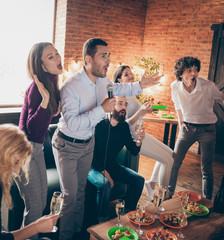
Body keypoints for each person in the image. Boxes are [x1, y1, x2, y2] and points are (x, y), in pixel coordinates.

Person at [52, 38, 160, 239]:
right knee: (70, 197)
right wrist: (101, 110)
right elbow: (73, 124)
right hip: (66, 144)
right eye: (104, 56)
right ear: (88, 59)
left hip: (87, 144)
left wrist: (139, 85)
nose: (109, 60)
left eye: (109, 56)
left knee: (82, 193)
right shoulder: (71, 86)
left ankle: (78, 234)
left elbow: (121, 89)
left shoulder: (103, 81)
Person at [169, 56, 224, 199]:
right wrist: (180, 122)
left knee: (206, 169)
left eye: (195, 70)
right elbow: (177, 105)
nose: (193, 73)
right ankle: (168, 195)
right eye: (189, 70)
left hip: (207, 130)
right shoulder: (174, 86)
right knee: (174, 163)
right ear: (180, 74)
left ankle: (207, 200)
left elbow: (222, 99)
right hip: (187, 129)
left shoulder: (208, 86)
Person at [16, 42, 61, 237]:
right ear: (41, 66)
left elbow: (39, 126)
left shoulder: (51, 85)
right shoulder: (37, 88)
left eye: (56, 53)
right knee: (34, 207)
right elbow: (31, 129)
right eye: (50, 57)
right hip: (24, 150)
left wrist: (51, 112)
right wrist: (45, 104)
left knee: (40, 203)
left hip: (36, 148)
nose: (58, 58)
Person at [113, 65, 174, 200]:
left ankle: (151, 183)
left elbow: (136, 117)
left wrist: (144, 111)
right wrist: (141, 111)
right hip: (132, 138)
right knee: (168, 161)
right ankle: (163, 198)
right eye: (126, 74)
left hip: (139, 133)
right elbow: (122, 125)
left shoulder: (132, 94)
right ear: (118, 80)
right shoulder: (119, 98)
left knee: (171, 154)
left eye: (131, 73)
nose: (131, 76)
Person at [88, 96, 145, 221]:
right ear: (111, 106)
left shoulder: (123, 126)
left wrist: (139, 141)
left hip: (112, 165)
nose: (124, 107)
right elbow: (91, 155)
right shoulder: (99, 125)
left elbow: (133, 150)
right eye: (120, 104)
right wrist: (106, 175)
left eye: (125, 105)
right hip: (92, 166)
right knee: (105, 184)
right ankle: (102, 220)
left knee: (139, 180)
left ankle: (127, 214)